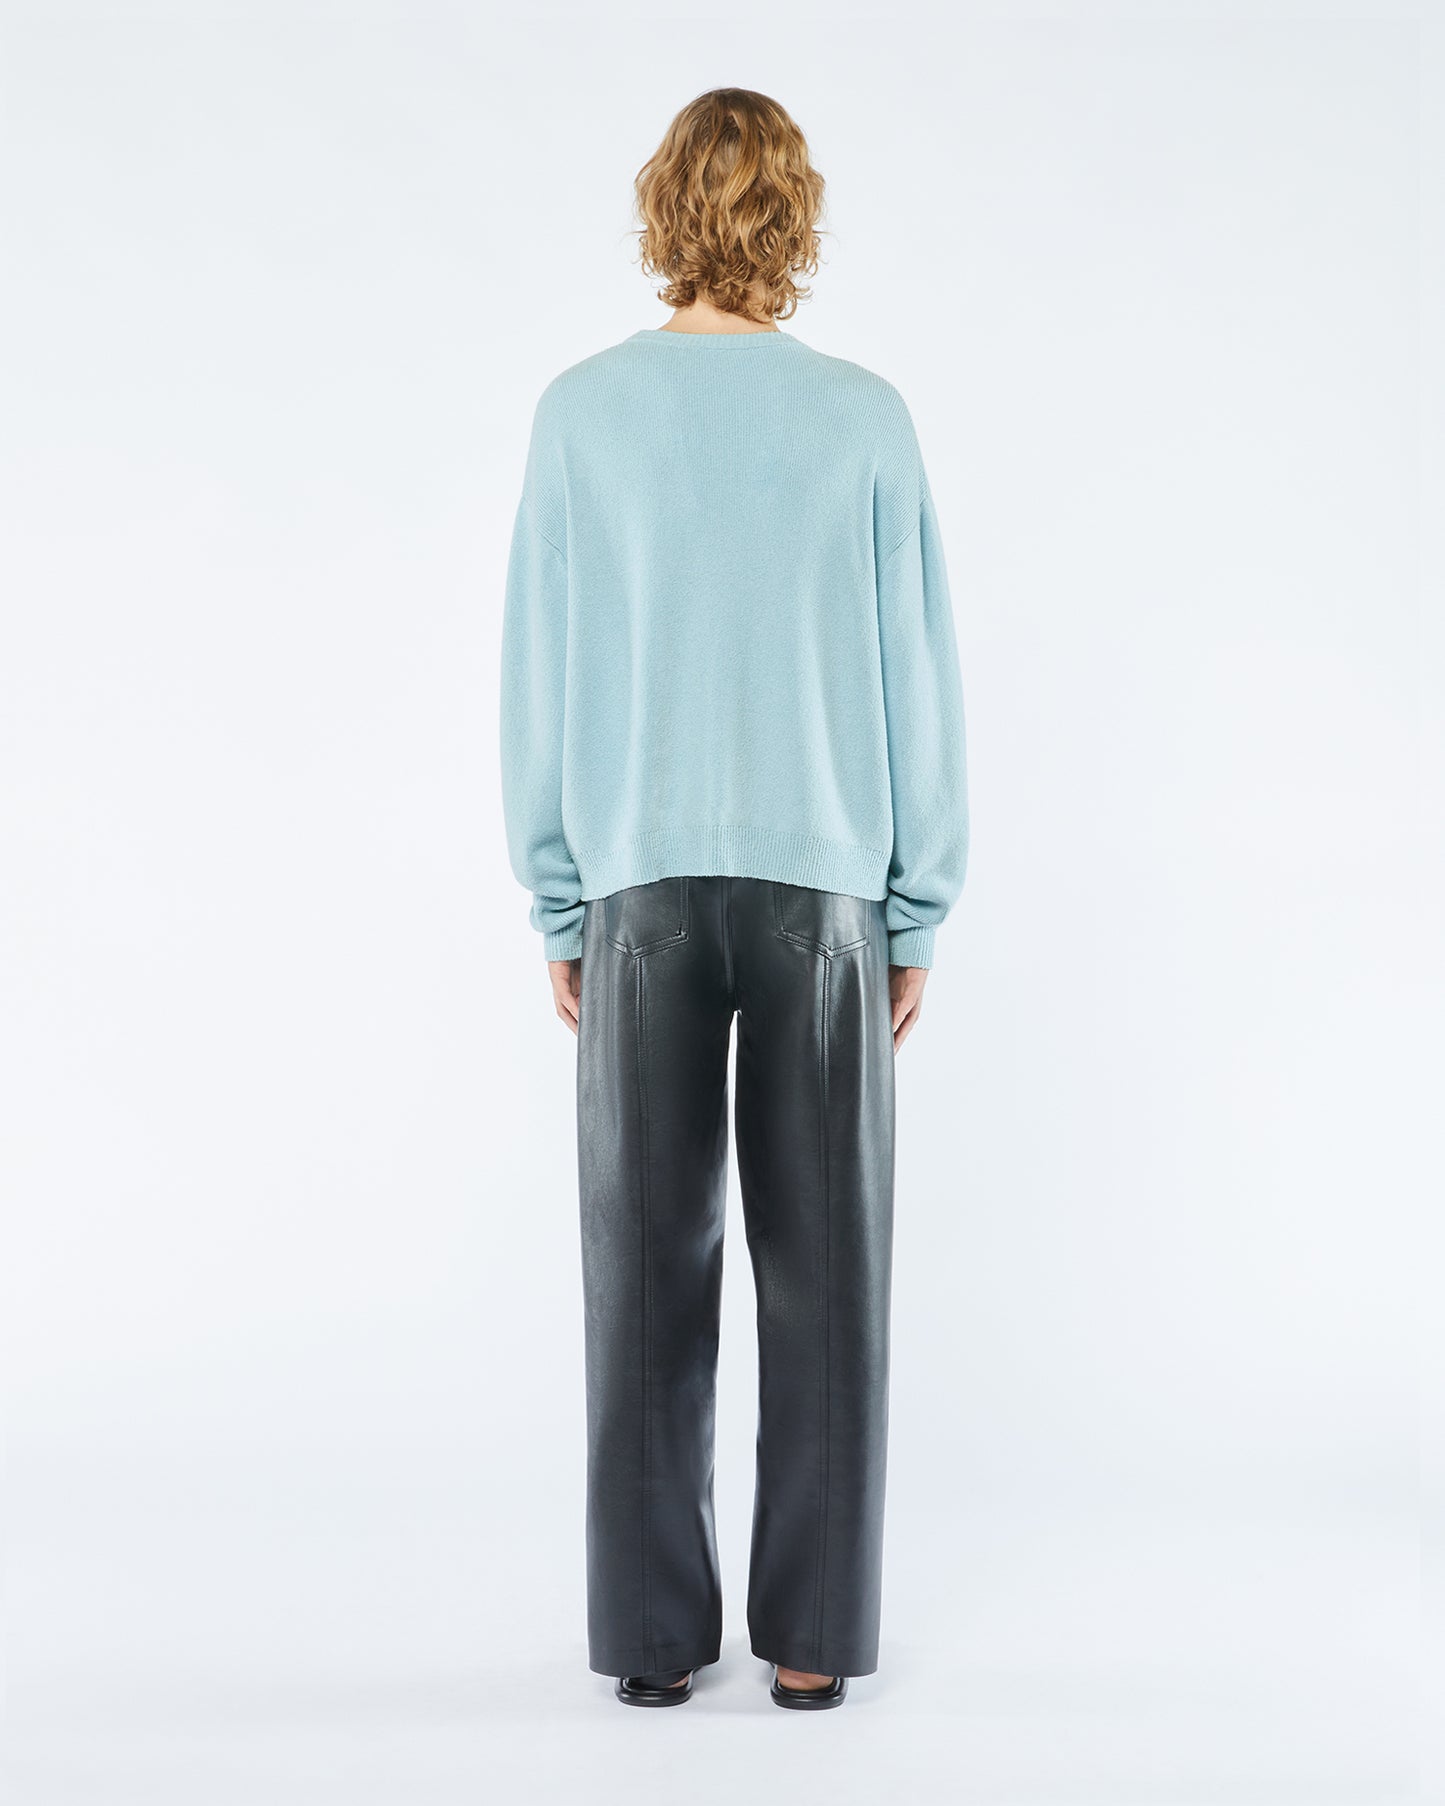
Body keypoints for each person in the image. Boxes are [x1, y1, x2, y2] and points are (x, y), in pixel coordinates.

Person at [499, 87, 968, 1711]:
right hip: (821, 894)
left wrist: (558, 895)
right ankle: (812, 1639)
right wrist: (915, 905)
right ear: (792, 215)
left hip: (637, 886)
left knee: (640, 1267)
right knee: (828, 1268)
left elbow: (539, 665)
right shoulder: (863, 418)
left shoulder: (579, 414)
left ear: (662, 210)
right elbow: (918, 671)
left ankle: (648, 1644)